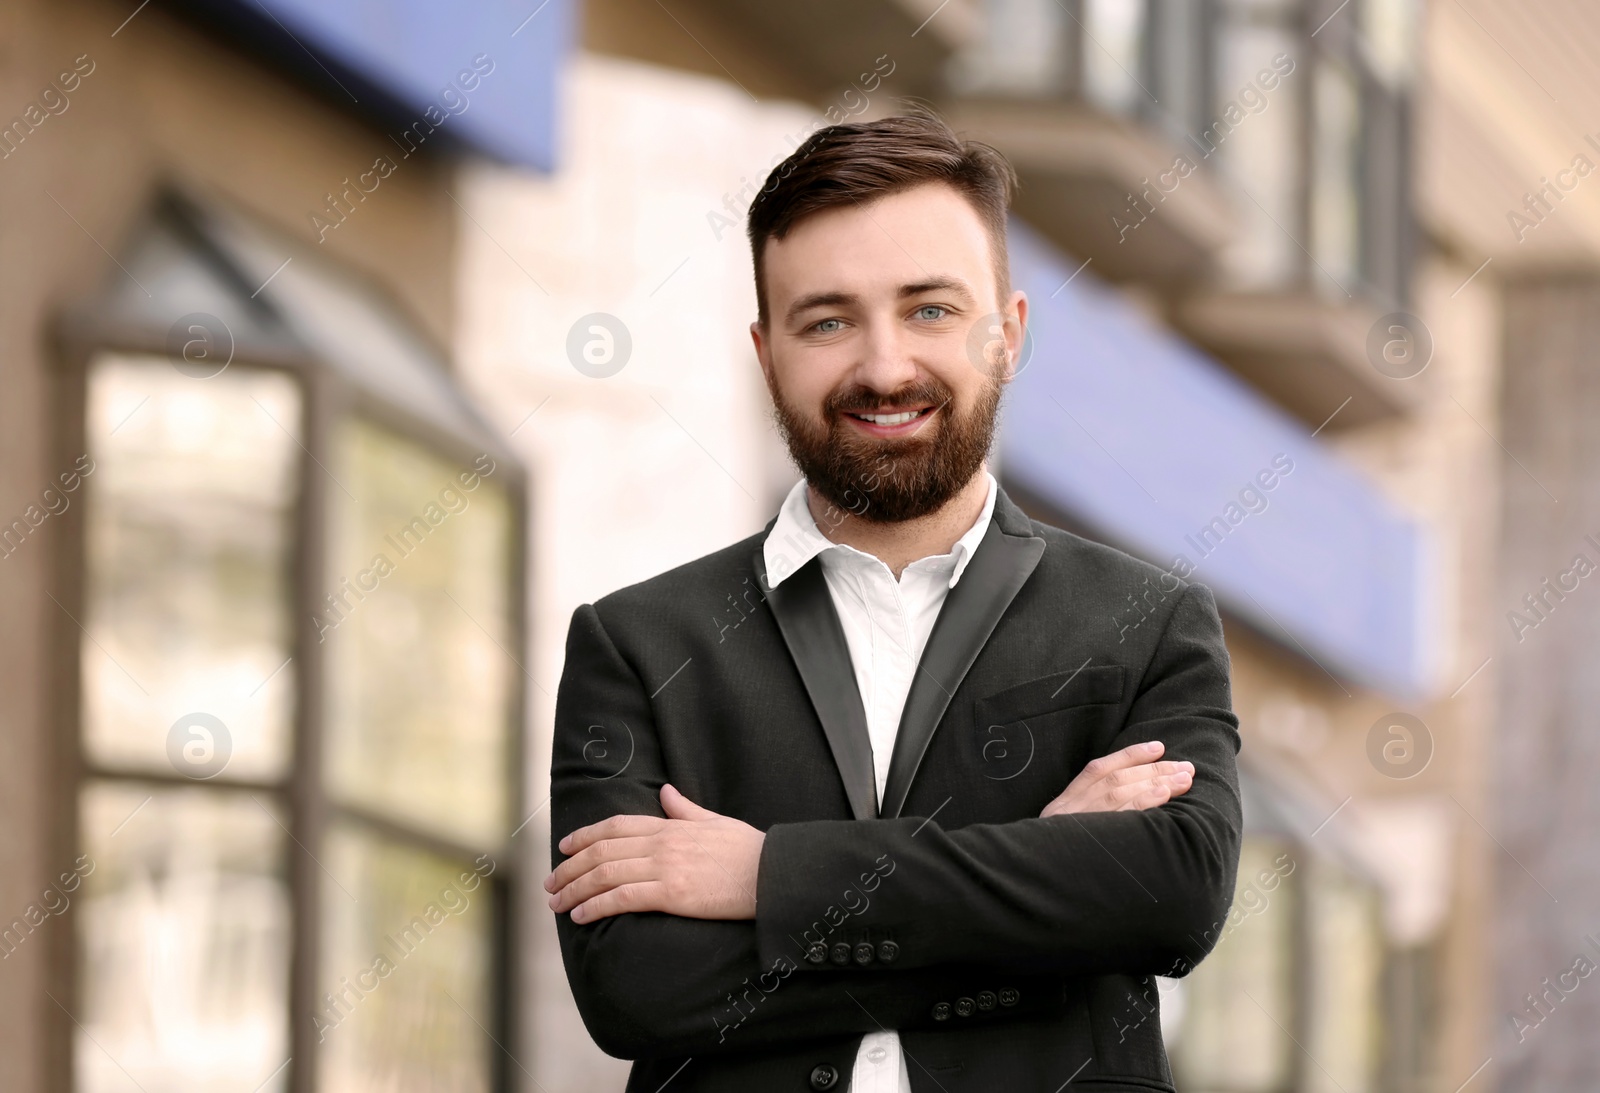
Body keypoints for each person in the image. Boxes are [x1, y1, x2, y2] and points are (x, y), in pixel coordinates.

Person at [545, 109, 1242, 1093]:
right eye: (827, 320)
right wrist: (1040, 892)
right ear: (766, 351)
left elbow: (1170, 896)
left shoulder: (1146, 624)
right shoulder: (638, 643)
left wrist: (768, 880)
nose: (882, 367)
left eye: (929, 310)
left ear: (1007, 333)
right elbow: (639, 990)